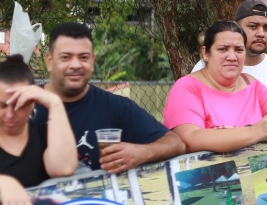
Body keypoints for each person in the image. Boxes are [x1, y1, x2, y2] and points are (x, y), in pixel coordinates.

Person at [34, 23, 185, 173]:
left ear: (93, 61)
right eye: (65, 57)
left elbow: (176, 143)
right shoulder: (26, 106)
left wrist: (142, 152)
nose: (75, 65)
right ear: (50, 61)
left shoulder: (115, 106)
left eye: (83, 57)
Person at [163, 21, 267, 152]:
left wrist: (236, 135)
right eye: (223, 49)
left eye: (239, 50)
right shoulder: (187, 87)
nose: (232, 57)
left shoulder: (251, 83)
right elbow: (189, 139)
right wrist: (255, 132)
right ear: (205, 53)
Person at [0, 56, 77, 205]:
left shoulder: (43, 134)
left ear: (33, 101)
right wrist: (4, 183)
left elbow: (64, 168)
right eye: (1, 105)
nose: (9, 115)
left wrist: (54, 103)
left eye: (19, 105)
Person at [193, 0, 267, 93]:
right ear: (236, 27)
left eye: (266, 28)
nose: (261, 34)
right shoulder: (206, 67)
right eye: (253, 26)